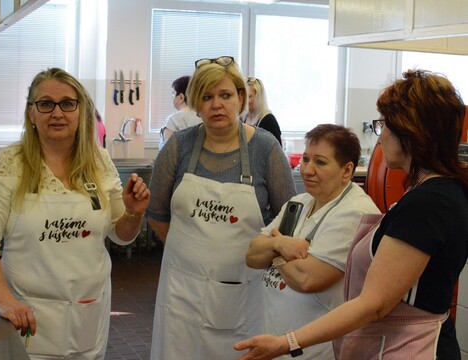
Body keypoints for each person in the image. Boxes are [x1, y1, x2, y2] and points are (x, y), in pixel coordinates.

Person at [234, 69, 468, 360]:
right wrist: (280, 246)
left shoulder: (431, 202)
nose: (380, 139)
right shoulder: (430, 192)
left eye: (384, 126)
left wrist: (287, 342)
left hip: (411, 348)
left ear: (412, 132)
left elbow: (373, 304)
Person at [0, 67, 150, 360]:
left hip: (89, 311)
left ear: (81, 112)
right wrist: (4, 301)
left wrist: (133, 214)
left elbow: (121, 235)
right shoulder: (9, 163)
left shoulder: (98, 160)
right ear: (31, 113)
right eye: (45, 104)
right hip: (29, 316)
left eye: (67, 103)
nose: (57, 113)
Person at [147, 55, 296, 359]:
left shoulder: (266, 149)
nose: (217, 104)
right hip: (181, 294)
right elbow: (157, 213)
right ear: (196, 104)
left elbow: (289, 222)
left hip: (243, 293)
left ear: (241, 98)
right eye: (207, 97)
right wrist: (190, 250)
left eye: (225, 95)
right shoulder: (178, 147)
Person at [245, 124, 380, 359]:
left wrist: (275, 251)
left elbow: (308, 279)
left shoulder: (355, 212)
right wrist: (282, 245)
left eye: (320, 162)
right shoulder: (299, 202)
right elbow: (252, 256)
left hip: (317, 349)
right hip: (278, 340)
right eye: (305, 159)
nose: (307, 170)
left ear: (347, 170)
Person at [158, 75, 202, 150]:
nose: (172, 97)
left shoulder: (172, 120)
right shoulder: (203, 117)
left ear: (181, 97)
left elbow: (168, 153)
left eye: (173, 93)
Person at [242, 77, 282, 145]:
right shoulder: (243, 118)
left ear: (258, 98)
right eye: (243, 96)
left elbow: (277, 152)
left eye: (249, 96)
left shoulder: (269, 121)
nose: (245, 100)